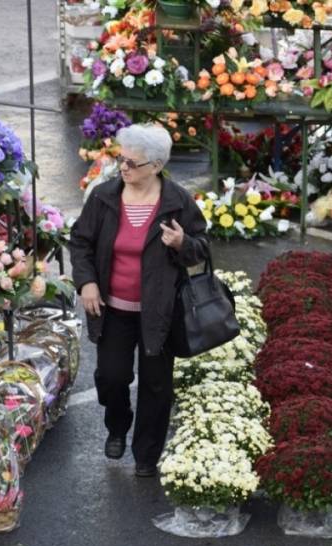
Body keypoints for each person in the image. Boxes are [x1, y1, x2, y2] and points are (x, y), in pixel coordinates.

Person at [68, 123, 209, 478]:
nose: (124, 168)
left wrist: (182, 245)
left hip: (160, 311)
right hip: (112, 308)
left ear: (157, 165)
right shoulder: (104, 197)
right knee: (112, 377)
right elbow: (81, 242)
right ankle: (117, 426)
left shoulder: (178, 202)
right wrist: (86, 283)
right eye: (122, 159)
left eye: (133, 163)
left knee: (156, 385)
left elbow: (202, 251)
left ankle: (146, 454)